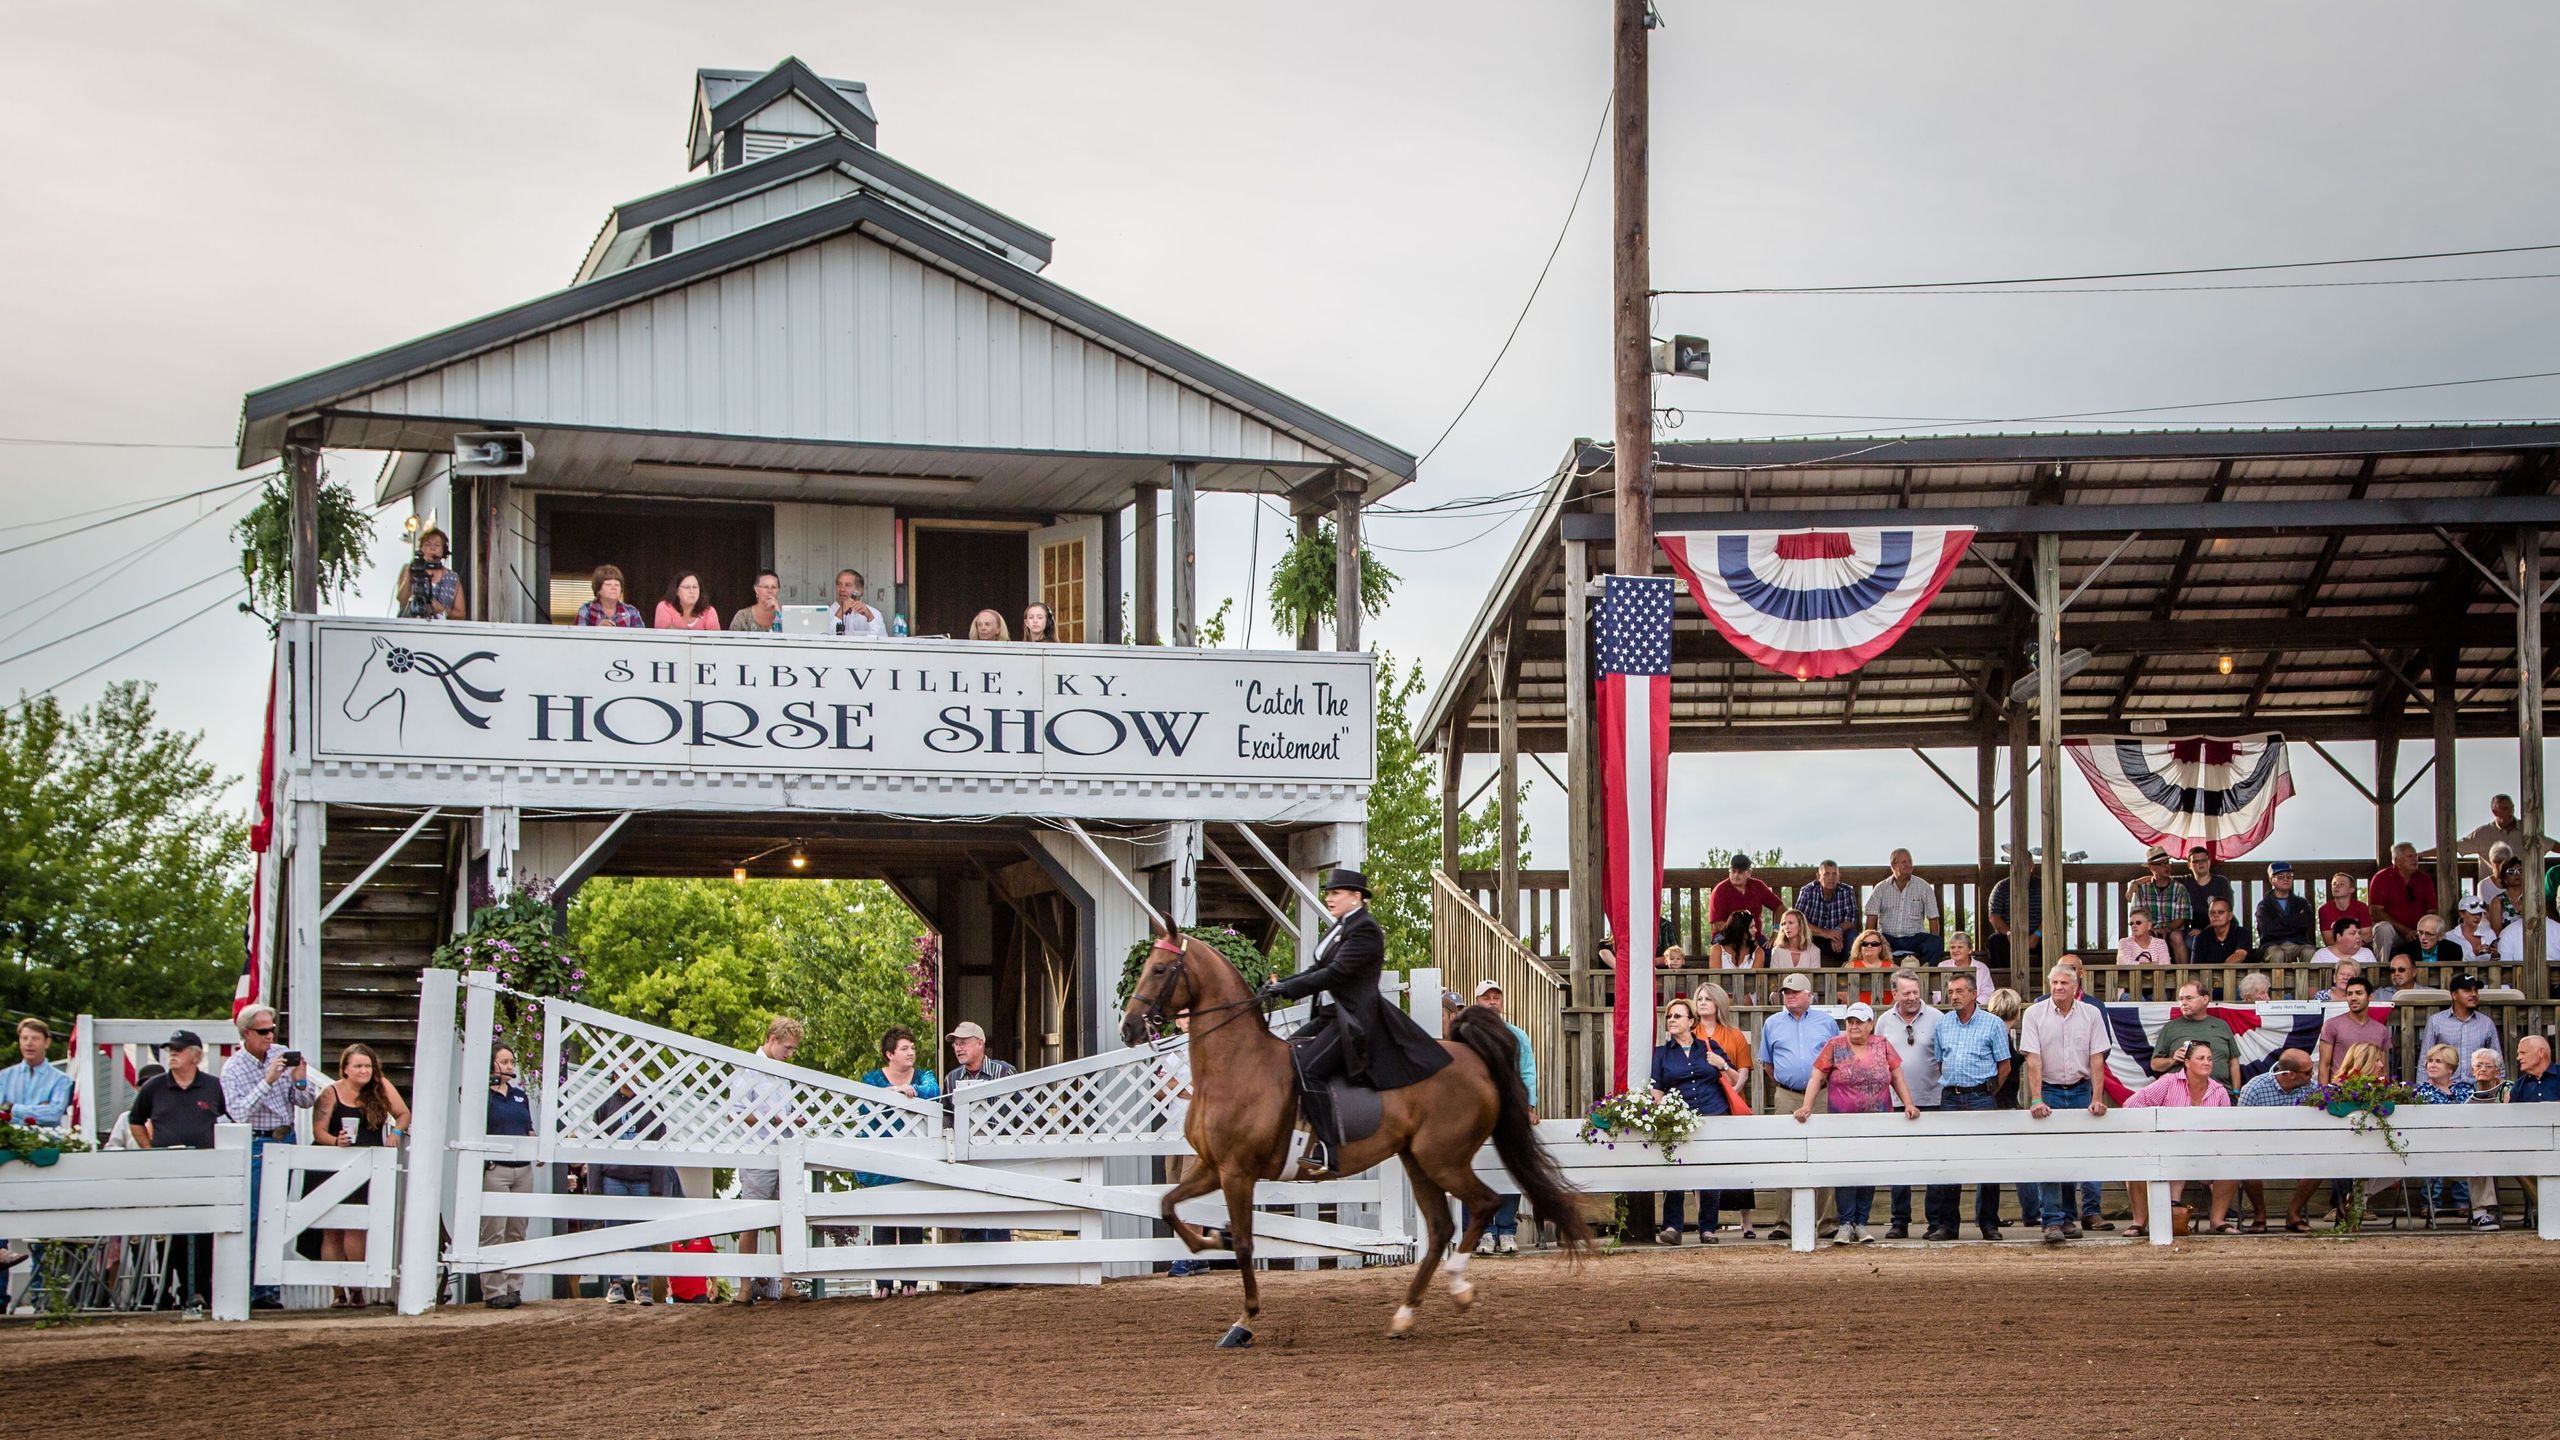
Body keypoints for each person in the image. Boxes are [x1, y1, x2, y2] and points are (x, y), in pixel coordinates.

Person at [1261, 868, 1451, 1174]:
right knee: (1288, 1054)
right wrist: (1282, 984)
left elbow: (1336, 973)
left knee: (1307, 1068)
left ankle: (1326, 1149)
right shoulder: (1340, 927)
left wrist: (1290, 988)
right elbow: (1316, 968)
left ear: (1356, 897)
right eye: (1329, 892)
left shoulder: (1365, 930)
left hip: (1353, 1019)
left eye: (1336, 893)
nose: (1329, 897)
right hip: (1329, 1016)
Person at [1792, 1002, 1920, 1244]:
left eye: (1859, 1021)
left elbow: (1897, 1077)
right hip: (1843, 1123)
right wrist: (1807, 1106)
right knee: (1845, 1171)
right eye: (1850, 1021)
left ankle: (1861, 1222)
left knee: (1867, 1171)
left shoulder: (1881, 1045)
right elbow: (1816, 1076)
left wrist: (1909, 1104)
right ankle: (1845, 1222)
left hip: (1876, 1121)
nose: (1853, 1026)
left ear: (1870, 1024)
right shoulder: (1835, 1045)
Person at [220, 1004, 317, 1309]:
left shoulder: (280, 1053)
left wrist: (300, 1078)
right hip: (258, 1142)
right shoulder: (233, 1068)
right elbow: (237, 1113)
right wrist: (269, 1080)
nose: (270, 1035)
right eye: (263, 1031)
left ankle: (268, 1290)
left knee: (276, 1215)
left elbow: (305, 1100)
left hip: (285, 1136)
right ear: (246, 1033)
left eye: (272, 1028)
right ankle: (250, 1289)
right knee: (254, 1216)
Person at [124, 1030, 226, 1309]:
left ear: (196, 1055)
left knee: (205, 1230)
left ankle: (200, 1289)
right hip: (168, 1170)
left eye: (179, 1050)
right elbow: (135, 1120)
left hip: (205, 1170)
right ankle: (185, 1289)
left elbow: (228, 1117)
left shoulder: (212, 1086)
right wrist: (149, 1151)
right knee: (177, 1231)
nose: (172, 1054)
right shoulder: (154, 1087)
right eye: (170, 1049)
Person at [311, 1042, 409, 1309]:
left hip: (368, 1162)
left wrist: (395, 1133)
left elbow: (403, 1114)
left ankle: (356, 1288)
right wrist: (335, 1141)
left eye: (368, 1065)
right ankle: (338, 1291)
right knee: (331, 1230)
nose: (364, 1070)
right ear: (345, 1069)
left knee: (357, 1228)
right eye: (358, 1066)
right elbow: (318, 1131)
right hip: (331, 1164)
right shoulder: (330, 1093)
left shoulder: (381, 1087)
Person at [2020, 961, 2111, 1243]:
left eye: (2064, 984)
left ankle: (2069, 1218)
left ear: (2076, 987)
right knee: (2049, 1156)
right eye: (2055, 983)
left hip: (2081, 1088)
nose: (2058, 988)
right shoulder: (2034, 1014)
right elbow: (2032, 1060)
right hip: (2049, 1089)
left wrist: (2097, 1098)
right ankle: (2052, 1220)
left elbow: (2097, 1058)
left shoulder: (2092, 1014)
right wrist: (2036, 1098)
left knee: (2074, 1155)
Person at [2122, 1041, 2240, 1236]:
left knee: (2231, 1163)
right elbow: (2132, 1105)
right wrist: (2153, 1133)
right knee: (2136, 1163)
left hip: (2205, 1153)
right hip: (2166, 1150)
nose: (2207, 1062)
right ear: (2187, 1062)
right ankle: (2139, 1222)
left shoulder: (2219, 1090)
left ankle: (2217, 1220)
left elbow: (2225, 1129)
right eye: (2201, 1058)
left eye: (2210, 1059)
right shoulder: (2168, 1082)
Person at [1649, 997, 1742, 1245]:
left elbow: (1734, 1080)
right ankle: (1672, 1227)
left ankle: (1708, 1228)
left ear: (1691, 1021)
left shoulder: (1709, 1047)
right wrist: (1663, 1117)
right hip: (1680, 1119)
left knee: (1710, 1173)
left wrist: (1722, 1064)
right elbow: (1656, 1090)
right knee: (1675, 1171)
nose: (1671, 1020)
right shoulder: (1661, 1054)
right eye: (1669, 1016)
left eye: (1677, 1016)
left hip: (1713, 1115)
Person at [1929, 970, 2013, 1240]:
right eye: (1951, 992)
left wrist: (1987, 1091)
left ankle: (1989, 1223)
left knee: (1987, 1161)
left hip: (1980, 1097)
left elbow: (2005, 1066)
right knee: (1949, 1161)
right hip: (1951, 1097)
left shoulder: (1993, 1024)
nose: (1953, 996)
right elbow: (1941, 1061)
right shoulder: (1943, 1024)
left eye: (1959, 991)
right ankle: (1948, 1225)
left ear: (1974, 993)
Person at [857, 1026, 940, 1295]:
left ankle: (909, 1283)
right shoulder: (872, 1079)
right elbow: (865, 1104)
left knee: (911, 1219)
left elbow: (933, 1091)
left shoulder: (923, 1077)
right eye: (904, 1048)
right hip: (882, 1156)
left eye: (913, 1048)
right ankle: (882, 1284)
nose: (911, 1052)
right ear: (889, 1053)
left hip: (913, 1155)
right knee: (883, 1219)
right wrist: (894, 1091)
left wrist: (910, 1089)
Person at [1757, 973, 1839, 1241]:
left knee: (1825, 1154)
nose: (1789, 996)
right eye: (1785, 992)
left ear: (1809, 995)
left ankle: (1827, 1223)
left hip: (1823, 1095)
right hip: (1787, 1094)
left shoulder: (1827, 1023)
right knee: (1786, 1155)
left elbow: (1838, 1060)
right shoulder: (1772, 1023)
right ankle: (1784, 1223)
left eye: (1794, 991)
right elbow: (1768, 1064)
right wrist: (1788, 1084)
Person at [730, 1015, 806, 1304]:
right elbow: (735, 1111)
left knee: (786, 1218)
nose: (789, 1054)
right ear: (771, 1039)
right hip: (757, 1152)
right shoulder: (746, 1069)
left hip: (784, 1149)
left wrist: (792, 1119)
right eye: (787, 1047)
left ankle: (787, 1285)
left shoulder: (782, 1074)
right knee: (752, 1219)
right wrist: (769, 1119)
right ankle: (745, 1287)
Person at [590, 1070, 673, 1306]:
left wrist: (657, 1187)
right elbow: (595, 1144)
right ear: (615, 1076)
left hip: (642, 1178)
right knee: (613, 1231)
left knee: (642, 1234)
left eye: (635, 1072)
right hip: (613, 1176)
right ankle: (615, 1284)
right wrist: (595, 1186)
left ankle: (643, 1285)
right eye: (624, 1072)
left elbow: (659, 1145)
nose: (630, 1077)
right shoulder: (606, 1104)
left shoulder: (650, 1106)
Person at [1470, 982, 1539, 1255]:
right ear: (1477, 1002)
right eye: (1486, 998)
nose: (1492, 1002)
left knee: (1511, 1167)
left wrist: (1529, 1104)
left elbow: (1527, 1072)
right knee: (1478, 1169)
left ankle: (1507, 1229)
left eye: (1497, 997)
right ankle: (1485, 1231)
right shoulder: (1468, 1035)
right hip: (1476, 1113)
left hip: (1508, 1111)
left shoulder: (1517, 1035)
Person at [1872, 969, 1942, 1237]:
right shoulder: (1884, 1022)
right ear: (1895, 994)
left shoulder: (1937, 1018)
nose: (1912, 997)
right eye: (1906, 993)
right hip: (1895, 1101)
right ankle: (1899, 1221)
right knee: (1899, 1163)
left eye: (1916, 992)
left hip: (1932, 1098)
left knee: (1934, 1163)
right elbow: (1880, 1060)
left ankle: (1935, 1221)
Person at [1687, 981, 1759, 1239]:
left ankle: (1746, 1220)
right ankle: (1704, 1221)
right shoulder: (1690, 1032)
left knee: (1736, 1161)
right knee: (1701, 1163)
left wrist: (1733, 1091)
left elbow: (1743, 1070)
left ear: (1718, 1002)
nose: (1702, 1002)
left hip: (1729, 1103)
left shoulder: (1734, 1034)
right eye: (1699, 998)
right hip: (1699, 1104)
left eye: (1707, 998)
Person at [2236, 1049, 2316, 1232]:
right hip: (2260, 1147)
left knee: (2320, 1163)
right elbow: (2241, 1129)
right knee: (2247, 1161)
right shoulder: (2254, 1088)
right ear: (2291, 1074)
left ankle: (2293, 1214)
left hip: (2298, 1148)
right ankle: (2259, 1215)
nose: (2312, 1075)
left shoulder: (2311, 1088)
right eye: (2308, 1072)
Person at [481, 1044, 535, 1309]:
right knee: (494, 1230)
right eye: (504, 1062)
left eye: (512, 1061)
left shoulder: (520, 1096)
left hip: (522, 1168)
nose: (510, 1066)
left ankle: (514, 1286)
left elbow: (528, 1127)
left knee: (517, 1230)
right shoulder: (481, 1096)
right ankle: (494, 1289)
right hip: (496, 1168)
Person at [2409, 1043, 2475, 1223]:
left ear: (2450, 1068)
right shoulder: (2420, 1091)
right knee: (2432, 1152)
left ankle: (2463, 1202)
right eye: (2430, 1061)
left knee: (2465, 1150)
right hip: (2431, 1141)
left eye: (2438, 1061)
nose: (2432, 1064)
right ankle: (2430, 1202)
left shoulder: (2464, 1089)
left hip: (2463, 1141)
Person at [2152, 982, 2241, 1094]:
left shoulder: (2222, 1025)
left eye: (2189, 998)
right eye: (2180, 999)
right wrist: (2173, 1060)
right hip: (2181, 1096)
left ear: (2205, 999)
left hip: (2221, 1094)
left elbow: (2233, 1062)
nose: (2183, 1003)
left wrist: (2236, 1091)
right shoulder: (2171, 1027)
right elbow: (2155, 1065)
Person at [1866, 849, 1943, 965]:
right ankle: (1882, 969)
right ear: (1893, 865)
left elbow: (1933, 918)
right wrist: (1868, 942)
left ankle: (1922, 970)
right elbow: (1871, 917)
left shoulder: (1923, 887)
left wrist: (1932, 943)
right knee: (1872, 942)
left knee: (1936, 942)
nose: (1908, 865)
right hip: (1887, 939)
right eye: (1903, 862)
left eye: (1910, 861)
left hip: (1914, 938)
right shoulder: (1881, 888)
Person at [2365, 842, 2437, 962]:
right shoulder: (2382, 877)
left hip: (2418, 932)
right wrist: (2405, 930)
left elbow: (2432, 911)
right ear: (2397, 860)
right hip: (2395, 933)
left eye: (2416, 856)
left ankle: (2427, 968)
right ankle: (2382, 969)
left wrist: (2421, 930)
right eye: (2410, 856)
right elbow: (2376, 912)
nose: (2415, 859)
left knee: (2436, 927)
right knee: (2382, 928)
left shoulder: (2424, 879)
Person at [2316, 975, 2390, 1084]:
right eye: (2349, 994)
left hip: (2372, 1093)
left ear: (2370, 997)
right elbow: (2324, 1066)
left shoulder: (2381, 1030)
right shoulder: (2332, 1025)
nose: (2353, 998)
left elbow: (2382, 1068)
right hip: (2340, 1093)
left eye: (2359, 993)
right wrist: (2324, 1096)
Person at [2466, 1048, 2510, 1229]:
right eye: (2478, 1065)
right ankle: (2481, 1214)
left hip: (2504, 1143)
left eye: (2488, 1066)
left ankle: (2482, 1212)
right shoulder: (2465, 1090)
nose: (2483, 1069)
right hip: (2475, 1145)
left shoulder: (2507, 1088)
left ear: (2497, 1071)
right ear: (2472, 1070)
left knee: (2480, 1153)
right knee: (2477, 1152)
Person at [2128, 849, 2194, 963]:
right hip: (2149, 928)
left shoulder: (2179, 888)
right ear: (2151, 868)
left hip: (2173, 929)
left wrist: (2167, 929)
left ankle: (2183, 974)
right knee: (2146, 935)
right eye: (2160, 864)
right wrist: (2152, 929)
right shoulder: (2142, 889)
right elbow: (2137, 916)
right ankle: (2149, 975)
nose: (2166, 866)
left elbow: (2182, 917)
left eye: (2167, 862)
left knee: (2176, 937)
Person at [1, 1018, 71, 1126]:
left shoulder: (61, 1079)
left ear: (47, 1043)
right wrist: (41, 1110)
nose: (29, 1043)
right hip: (9, 1139)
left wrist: (11, 1108)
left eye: (35, 1038)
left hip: (46, 1141)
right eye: (24, 1038)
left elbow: (53, 1114)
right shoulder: (4, 1076)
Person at [1795, 859, 1861, 963]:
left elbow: (1851, 921)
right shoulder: (1808, 891)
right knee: (1800, 936)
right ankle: (1804, 974)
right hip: (1814, 938)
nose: (1831, 878)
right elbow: (1799, 922)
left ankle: (1850, 972)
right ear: (1818, 876)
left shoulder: (1847, 891)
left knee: (1852, 935)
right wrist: (1826, 933)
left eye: (1834, 874)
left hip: (1839, 938)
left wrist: (1837, 932)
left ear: (1839, 876)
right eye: (1826, 874)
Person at [1708, 854, 1784, 941]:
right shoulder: (1719, 890)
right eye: (1733, 871)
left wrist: (1776, 932)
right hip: (1726, 935)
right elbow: (1717, 924)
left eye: (1740, 872)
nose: (1736, 875)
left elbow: (1780, 907)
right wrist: (1743, 936)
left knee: (1770, 953)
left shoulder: (1758, 886)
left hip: (1754, 936)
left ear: (1749, 873)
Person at [395, 526, 466, 620]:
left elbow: (461, 614)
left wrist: (441, 609)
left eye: (437, 545)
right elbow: (402, 600)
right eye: (427, 544)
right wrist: (409, 572)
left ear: (443, 550)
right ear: (421, 549)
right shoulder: (409, 569)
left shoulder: (453, 577)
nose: (432, 548)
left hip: (440, 631)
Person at [2256, 861, 2317, 967]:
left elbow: (2306, 924)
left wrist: (2280, 923)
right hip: (2273, 944)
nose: (2286, 879)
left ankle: (2308, 984)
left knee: (2310, 952)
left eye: (2289, 876)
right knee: (2277, 954)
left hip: (2299, 943)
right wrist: (2294, 922)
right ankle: (2277, 984)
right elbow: (2267, 930)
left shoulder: (2302, 903)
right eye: (2280, 877)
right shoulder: (2264, 905)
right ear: (2271, 880)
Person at [1985, 871, 2043, 975]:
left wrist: (2037, 935)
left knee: (2053, 939)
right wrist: (2009, 934)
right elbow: (1994, 917)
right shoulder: (2001, 887)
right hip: (2009, 935)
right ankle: (2003, 979)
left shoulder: (2043, 885)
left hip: (2038, 935)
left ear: (2032, 866)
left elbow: (2052, 914)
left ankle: (2049, 979)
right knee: (1994, 941)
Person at [2189, 897, 2252, 970]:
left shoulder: (2243, 933)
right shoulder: (2201, 938)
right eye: (2212, 913)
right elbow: (2195, 967)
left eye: (2221, 912)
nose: (2216, 915)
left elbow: (2239, 956)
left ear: (2230, 916)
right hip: (2208, 980)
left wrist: (2220, 972)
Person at [574, 564, 645, 627]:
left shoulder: (632, 611)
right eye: (608, 584)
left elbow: (641, 639)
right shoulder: (586, 610)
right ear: (598, 589)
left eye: (617, 585)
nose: (613, 588)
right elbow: (578, 639)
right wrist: (598, 630)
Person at [1936, 930, 1994, 1002]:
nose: (1955, 950)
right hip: (1948, 1008)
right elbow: (1938, 994)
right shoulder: (1942, 966)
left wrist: (1971, 1006)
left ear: (1969, 950)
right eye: (1952, 947)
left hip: (1975, 1009)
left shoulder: (1982, 968)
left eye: (1960, 947)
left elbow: (1988, 994)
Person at [652, 571, 720, 631]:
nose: (692, 591)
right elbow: (663, 638)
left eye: (695, 587)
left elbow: (715, 641)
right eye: (687, 587)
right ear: (676, 591)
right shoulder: (665, 607)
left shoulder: (709, 611)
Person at [832, 569, 888, 637]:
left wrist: (870, 618)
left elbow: (883, 641)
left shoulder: (874, 613)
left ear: (859, 591)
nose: (842, 589)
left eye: (848, 585)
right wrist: (840, 613)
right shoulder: (831, 610)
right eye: (839, 584)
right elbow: (824, 638)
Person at [2318, 872, 2372, 942]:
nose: (2336, 886)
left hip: (2359, 949)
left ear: (2351, 889)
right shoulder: (2324, 910)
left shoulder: (2362, 907)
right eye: (2334, 884)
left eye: (2342, 884)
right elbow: (2328, 940)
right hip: (2335, 951)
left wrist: (2344, 941)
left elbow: (2366, 935)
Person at [1843, 928, 1893, 1003]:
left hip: (1886, 1011)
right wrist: (1860, 1008)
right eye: (1865, 944)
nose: (1869, 946)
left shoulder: (1892, 967)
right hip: (1859, 1011)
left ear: (1881, 948)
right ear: (1860, 947)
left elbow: (1901, 993)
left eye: (1874, 944)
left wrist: (1889, 1009)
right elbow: (1841, 993)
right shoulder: (1850, 966)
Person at [2396, 913, 2461, 966]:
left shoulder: (2453, 950)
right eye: (2420, 932)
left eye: (2429, 934)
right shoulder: (2404, 951)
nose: (2423, 937)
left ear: (2440, 936)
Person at [2451, 895, 2499, 962]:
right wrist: (2474, 953)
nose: (2477, 917)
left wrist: (2495, 955)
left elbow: (2497, 961)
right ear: (2461, 914)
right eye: (2473, 914)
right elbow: (2451, 962)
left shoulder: (2489, 933)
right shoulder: (2450, 937)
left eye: (2479, 914)